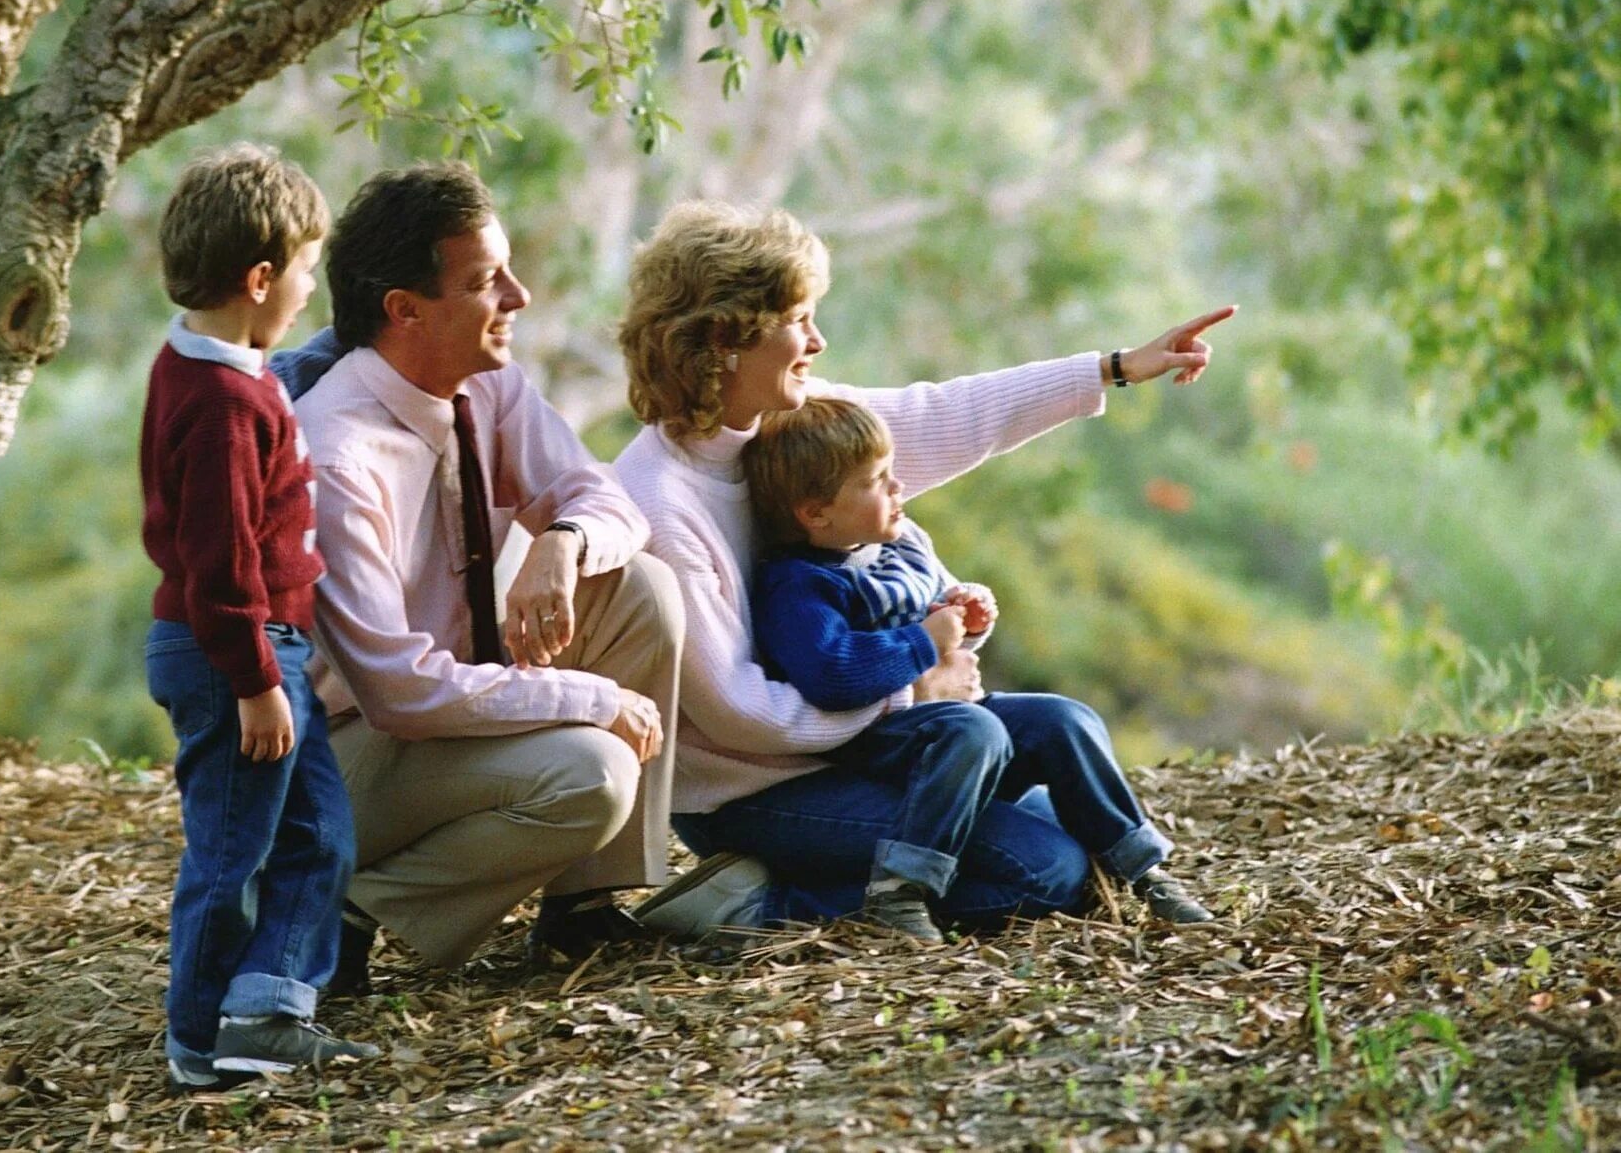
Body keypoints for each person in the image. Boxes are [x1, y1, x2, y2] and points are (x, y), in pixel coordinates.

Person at [613, 200, 1232, 938]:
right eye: (797, 319)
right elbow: (743, 711)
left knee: (1058, 778)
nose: (817, 340)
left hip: (871, 746)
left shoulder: (793, 417)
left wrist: (1117, 367)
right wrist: (914, 686)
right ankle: (758, 901)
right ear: (724, 337)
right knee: (1047, 871)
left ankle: (888, 856)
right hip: (757, 790)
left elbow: (943, 414)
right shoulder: (660, 500)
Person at [289, 162, 684, 986]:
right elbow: (400, 693)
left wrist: (563, 542)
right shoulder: (338, 453)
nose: (519, 295)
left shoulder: (485, 383)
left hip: (438, 715)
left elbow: (607, 500)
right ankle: (350, 909)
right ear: (405, 310)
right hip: (349, 754)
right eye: (484, 280)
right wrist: (595, 698)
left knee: (643, 589)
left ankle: (586, 908)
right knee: (592, 771)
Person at [740, 395, 1213, 937]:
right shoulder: (798, 585)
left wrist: (962, 617)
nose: (897, 490)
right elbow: (834, 675)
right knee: (975, 731)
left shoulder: (892, 549)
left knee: (1064, 720)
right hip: (865, 749)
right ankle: (898, 891)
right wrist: (924, 640)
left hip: (939, 727)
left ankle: (1141, 867)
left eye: (892, 473)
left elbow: (933, 631)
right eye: (875, 481)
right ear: (814, 512)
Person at [138, 146, 380, 1091]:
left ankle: (268, 1009)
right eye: (309, 272)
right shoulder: (223, 400)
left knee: (320, 835)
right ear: (260, 277)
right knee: (232, 851)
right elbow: (220, 559)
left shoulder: (214, 360)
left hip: (259, 651)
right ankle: (199, 1037)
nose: (310, 293)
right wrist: (255, 682)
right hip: (232, 655)